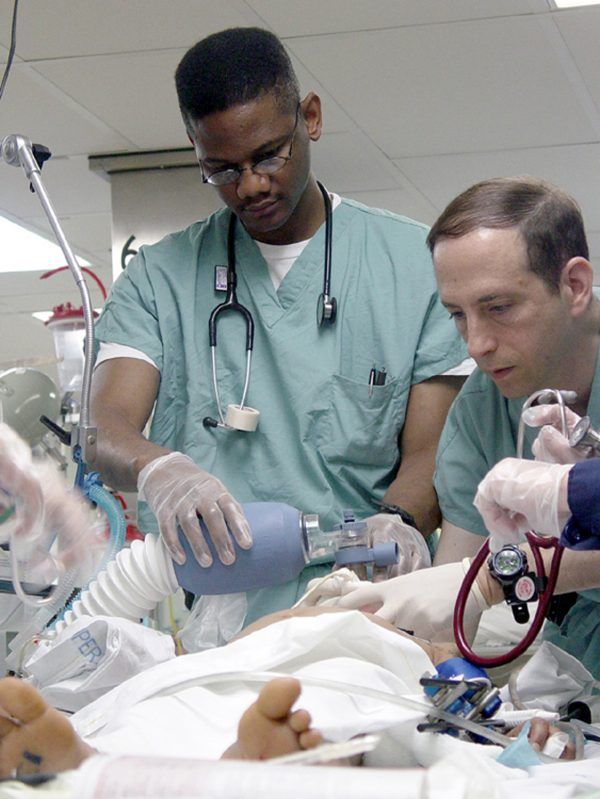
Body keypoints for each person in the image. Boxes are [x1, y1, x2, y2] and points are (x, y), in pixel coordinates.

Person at [88, 27, 467, 626]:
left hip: (361, 607)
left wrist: (400, 519)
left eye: (269, 155)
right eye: (221, 169)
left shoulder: (413, 266)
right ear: (195, 151)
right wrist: (159, 470)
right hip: (213, 616)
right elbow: (105, 428)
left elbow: (434, 449)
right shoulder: (159, 277)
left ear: (309, 118)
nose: (251, 185)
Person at [320, 177, 600, 675]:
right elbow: (457, 587)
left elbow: (480, 581)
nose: (475, 345)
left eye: (497, 308)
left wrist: (499, 577)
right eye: (457, 315)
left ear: (573, 286)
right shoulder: (480, 410)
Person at [0, 607, 574, 780]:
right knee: (328, 716)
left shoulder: (435, 684)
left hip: (239, 685)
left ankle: (92, 769)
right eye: (410, 630)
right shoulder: (344, 616)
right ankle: (101, 767)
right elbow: (277, 628)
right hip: (228, 677)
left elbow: (520, 739)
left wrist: (519, 740)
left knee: (335, 714)